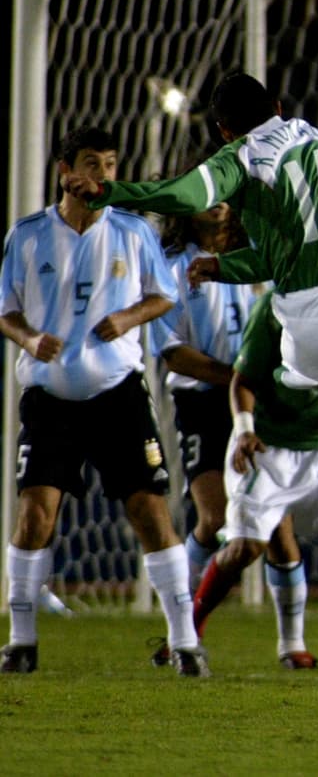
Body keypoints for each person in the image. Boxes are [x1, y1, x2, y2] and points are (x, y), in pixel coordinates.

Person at [61, 73, 318, 636]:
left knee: (307, 376)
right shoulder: (316, 137)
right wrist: (227, 266)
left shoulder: (239, 155)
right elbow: (295, 244)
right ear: (278, 106)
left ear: (224, 128)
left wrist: (114, 192)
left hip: (313, 319)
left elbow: (183, 196)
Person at [0, 125, 205, 676]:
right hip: (49, 397)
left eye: (111, 165)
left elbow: (163, 296)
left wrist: (127, 317)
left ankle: (185, 643)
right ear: (65, 172)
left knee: (150, 512)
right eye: (91, 164)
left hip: (119, 395)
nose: (102, 176)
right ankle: (21, 641)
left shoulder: (134, 232)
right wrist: (30, 340)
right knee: (35, 514)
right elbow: (7, 312)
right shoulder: (26, 236)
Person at [187, 291, 318, 671]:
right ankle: (188, 635)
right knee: (246, 548)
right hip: (271, 445)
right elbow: (242, 381)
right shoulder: (276, 305)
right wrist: (245, 429)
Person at [152, 203, 259, 584]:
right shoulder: (172, 267)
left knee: (275, 525)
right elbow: (171, 351)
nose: (217, 202)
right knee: (214, 517)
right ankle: (182, 607)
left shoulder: (258, 255)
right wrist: (232, 376)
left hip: (258, 398)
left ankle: (291, 638)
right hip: (202, 401)